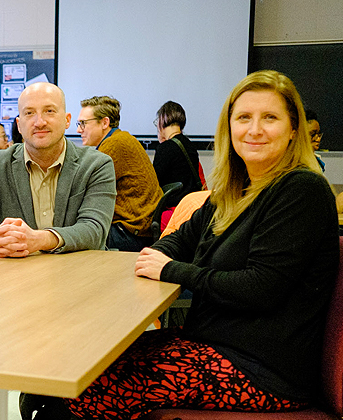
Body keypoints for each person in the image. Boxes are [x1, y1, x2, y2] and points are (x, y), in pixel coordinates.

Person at [23, 70, 338, 420]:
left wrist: (170, 269)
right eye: (244, 117)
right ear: (229, 127)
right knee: (74, 365)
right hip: (211, 346)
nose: (255, 129)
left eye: (270, 118)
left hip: (260, 371)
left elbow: (259, 288)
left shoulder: (301, 190)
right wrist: (160, 254)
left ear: (293, 129)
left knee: (79, 395)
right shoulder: (235, 192)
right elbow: (181, 238)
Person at [0, 82, 116, 257]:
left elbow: (95, 230)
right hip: (16, 274)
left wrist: (39, 240)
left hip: (79, 272)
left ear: (67, 120)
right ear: (19, 125)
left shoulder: (97, 165)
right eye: (29, 113)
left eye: (49, 111)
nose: (39, 122)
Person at [76, 96, 162, 252]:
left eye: (83, 123)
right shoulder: (121, 138)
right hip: (140, 228)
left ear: (104, 122)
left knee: (72, 235)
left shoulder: (113, 145)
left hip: (130, 233)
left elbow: (80, 188)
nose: (78, 130)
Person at [152, 101, 203, 203]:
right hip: (191, 206)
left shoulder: (165, 148)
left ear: (163, 120)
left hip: (173, 209)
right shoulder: (190, 145)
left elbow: (154, 183)